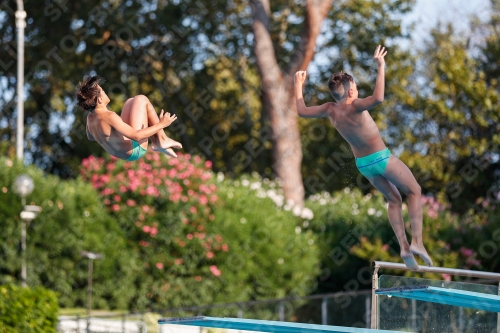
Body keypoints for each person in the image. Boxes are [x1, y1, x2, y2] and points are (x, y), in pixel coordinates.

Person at [294, 46, 432, 271]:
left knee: (394, 200)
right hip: (381, 158)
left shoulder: (330, 110)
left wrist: (298, 85)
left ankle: (405, 248)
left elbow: (302, 111)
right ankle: (417, 241)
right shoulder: (355, 106)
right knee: (414, 190)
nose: (357, 90)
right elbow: (379, 97)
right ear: (350, 92)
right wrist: (381, 66)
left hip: (364, 165)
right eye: (356, 87)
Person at [75, 76, 182, 161]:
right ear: (99, 100)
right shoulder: (109, 116)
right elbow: (137, 136)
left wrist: (109, 137)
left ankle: (159, 142)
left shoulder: (90, 118)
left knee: (130, 102)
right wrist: (162, 124)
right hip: (135, 150)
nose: (104, 92)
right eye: (102, 91)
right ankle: (161, 140)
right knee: (141, 99)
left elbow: (91, 137)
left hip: (121, 152)